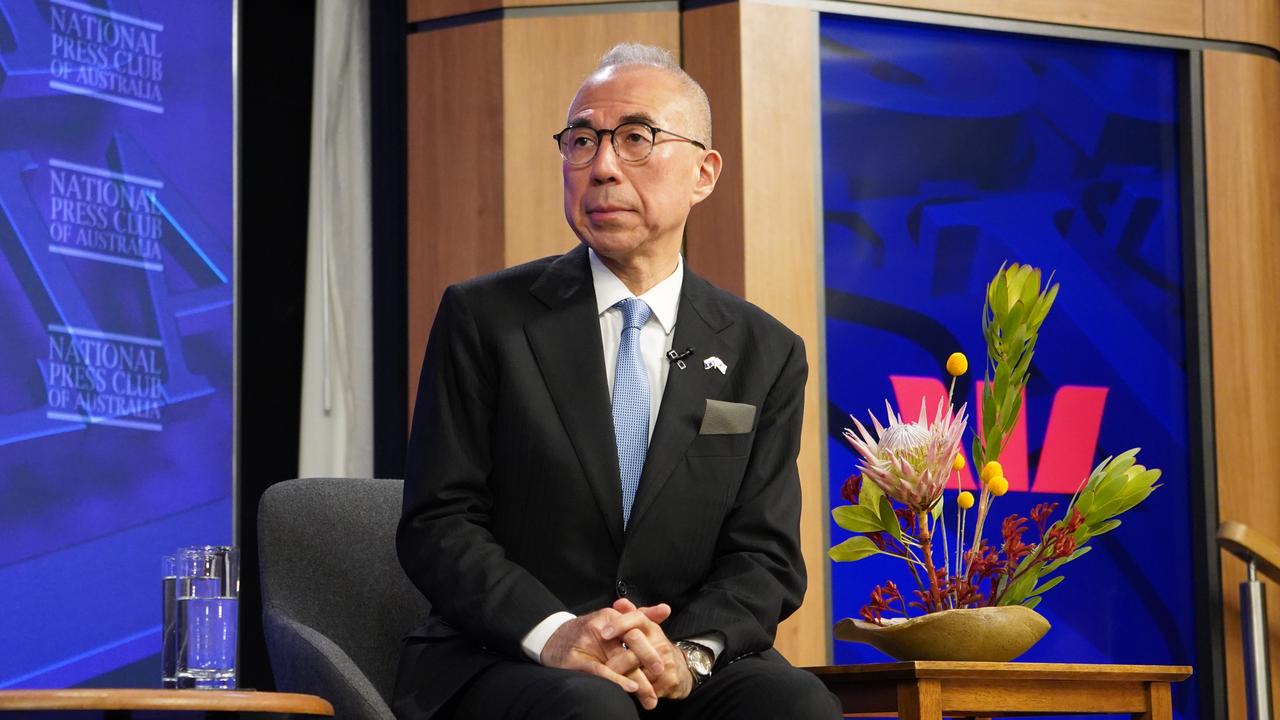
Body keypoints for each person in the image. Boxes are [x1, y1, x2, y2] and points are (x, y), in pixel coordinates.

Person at [393, 43, 841, 720]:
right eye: (581, 141)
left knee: (797, 706)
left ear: (704, 172)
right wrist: (556, 633)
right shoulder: (486, 319)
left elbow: (766, 555)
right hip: (511, 655)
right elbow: (438, 523)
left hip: (678, 661)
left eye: (635, 139)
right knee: (594, 710)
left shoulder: (764, 352)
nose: (601, 167)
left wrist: (683, 656)